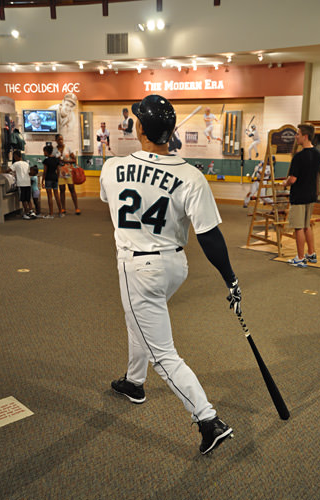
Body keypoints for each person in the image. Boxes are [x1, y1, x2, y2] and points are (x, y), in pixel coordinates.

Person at [100, 94, 242, 456]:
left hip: (138, 267)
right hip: (175, 266)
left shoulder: (112, 167)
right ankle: (134, 382)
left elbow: (111, 201)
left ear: (141, 129)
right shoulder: (191, 174)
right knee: (139, 322)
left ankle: (208, 419)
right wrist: (230, 278)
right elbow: (209, 235)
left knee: (162, 352)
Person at [282, 123, 320, 268]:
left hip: (299, 196)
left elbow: (292, 179)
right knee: (307, 226)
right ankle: (311, 254)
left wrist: (284, 184)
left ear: (305, 136)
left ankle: (300, 258)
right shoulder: (318, 154)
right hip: (311, 195)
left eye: (297, 134)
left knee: (299, 227)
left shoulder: (298, 157)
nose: (296, 137)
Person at [53, 134, 81, 215]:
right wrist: (57, 161)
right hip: (60, 172)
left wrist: (66, 161)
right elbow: (54, 161)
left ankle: (76, 208)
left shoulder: (68, 148)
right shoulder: (55, 150)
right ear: (56, 141)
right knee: (62, 190)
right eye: (59, 139)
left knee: (72, 189)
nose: (60, 141)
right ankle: (63, 208)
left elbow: (74, 160)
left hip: (68, 171)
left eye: (62, 139)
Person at [8, 150, 36, 219]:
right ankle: (31, 212)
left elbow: (8, 170)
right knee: (28, 199)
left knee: (23, 199)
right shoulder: (26, 163)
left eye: (14, 157)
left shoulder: (16, 164)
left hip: (21, 183)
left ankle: (26, 213)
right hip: (27, 183)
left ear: (16, 156)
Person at [42, 145, 64, 218]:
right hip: (55, 178)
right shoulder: (56, 160)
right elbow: (58, 171)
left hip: (48, 178)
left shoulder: (46, 161)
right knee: (57, 195)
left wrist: (42, 180)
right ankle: (60, 212)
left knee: (49, 196)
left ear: (46, 152)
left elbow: (45, 172)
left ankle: (51, 214)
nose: (43, 153)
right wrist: (57, 177)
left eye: (44, 151)